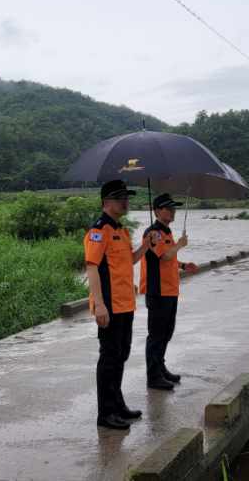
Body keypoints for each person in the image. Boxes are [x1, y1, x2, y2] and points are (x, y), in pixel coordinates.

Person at [85, 180, 152, 430]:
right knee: (109, 358)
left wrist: (145, 246)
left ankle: (118, 404)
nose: (125, 202)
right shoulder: (98, 231)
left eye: (126, 197)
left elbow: (129, 261)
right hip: (109, 305)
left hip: (126, 304)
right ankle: (106, 413)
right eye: (119, 198)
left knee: (121, 355)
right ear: (106, 202)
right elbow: (92, 268)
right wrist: (99, 305)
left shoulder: (122, 231)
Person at [140, 193, 199, 390]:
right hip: (157, 291)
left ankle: (160, 368)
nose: (173, 211)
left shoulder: (166, 232)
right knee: (156, 335)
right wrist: (180, 245)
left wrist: (183, 265)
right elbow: (164, 256)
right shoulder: (153, 233)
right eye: (168, 208)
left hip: (170, 290)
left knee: (167, 332)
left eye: (174, 208)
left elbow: (169, 259)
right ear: (157, 211)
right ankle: (153, 376)